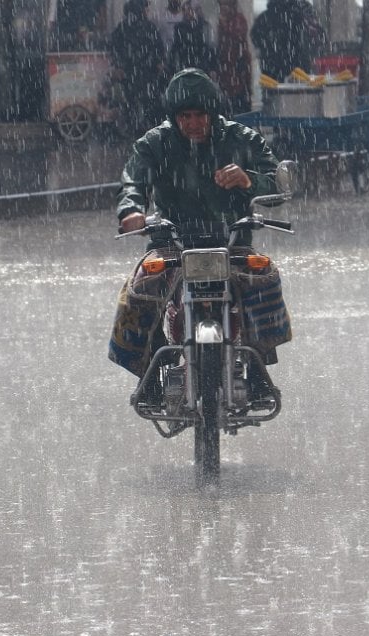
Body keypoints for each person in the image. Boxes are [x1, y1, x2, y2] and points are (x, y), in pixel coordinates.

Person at [109, 68, 292, 403]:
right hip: (171, 244)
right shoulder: (154, 143)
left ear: (212, 113)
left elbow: (277, 185)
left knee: (265, 277)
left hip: (232, 242)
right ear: (174, 117)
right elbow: (132, 182)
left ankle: (259, 372)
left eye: (199, 115)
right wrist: (131, 212)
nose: (193, 123)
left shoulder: (242, 139)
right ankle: (149, 373)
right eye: (185, 116)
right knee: (139, 290)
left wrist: (249, 180)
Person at [108, 0, 167, 136]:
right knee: (136, 101)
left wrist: (158, 61)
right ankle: (138, 127)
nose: (147, 12)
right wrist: (118, 66)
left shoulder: (145, 27)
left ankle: (141, 127)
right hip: (136, 70)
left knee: (142, 100)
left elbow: (157, 47)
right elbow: (115, 48)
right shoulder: (126, 28)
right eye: (145, 9)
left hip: (143, 70)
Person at [251, 0, 325, 80]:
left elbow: (255, 37)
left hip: (273, 71)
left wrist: (267, 48)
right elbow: (320, 36)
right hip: (299, 70)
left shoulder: (265, 18)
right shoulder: (302, 10)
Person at [214, 0, 252, 114]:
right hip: (226, 66)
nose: (223, 8)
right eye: (221, 5)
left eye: (225, 5)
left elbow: (239, 38)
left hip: (238, 65)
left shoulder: (238, 20)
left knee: (239, 100)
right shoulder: (221, 22)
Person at [168, 3, 215, 75]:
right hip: (185, 63)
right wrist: (171, 66)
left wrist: (212, 67)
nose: (188, 13)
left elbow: (209, 46)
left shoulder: (204, 26)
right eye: (185, 10)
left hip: (201, 63)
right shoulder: (179, 27)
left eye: (190, 10)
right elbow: (175, 46)